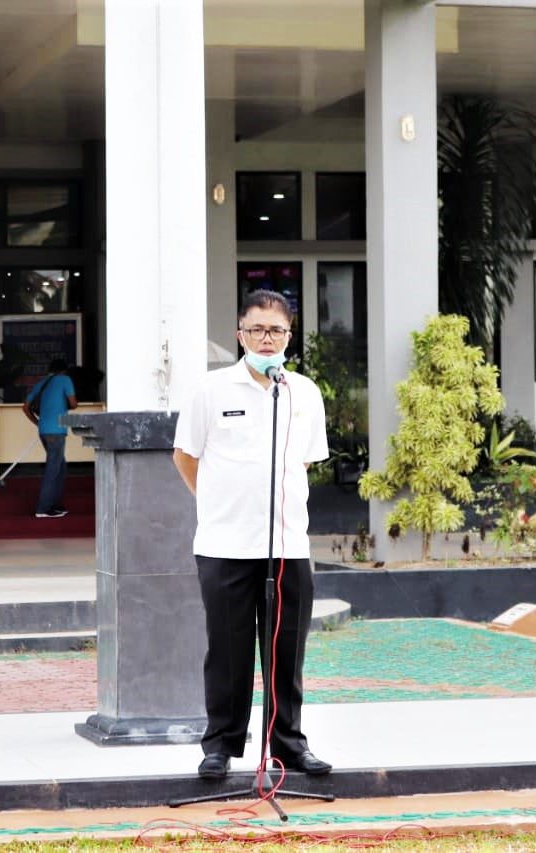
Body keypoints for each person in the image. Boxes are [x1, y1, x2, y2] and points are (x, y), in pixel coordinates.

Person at [172, 289, 331, 780]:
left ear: (289, 336)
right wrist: (216, 501)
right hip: (224, 545)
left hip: (288, 545)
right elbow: (185, 456)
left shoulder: (303, 392)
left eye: (276, 330)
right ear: (240, 334)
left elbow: (305, 462)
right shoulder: (211, 390)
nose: (267, 339)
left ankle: (289, 745)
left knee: (286, 652)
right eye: (257, 329)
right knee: (228, 652)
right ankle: (220, 746)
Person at [23, 358, 77, 519]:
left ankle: (55, 505)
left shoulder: (42, 383)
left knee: (60, 467)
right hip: (57, 431)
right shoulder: (65, 379)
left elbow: (25, 407)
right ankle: (43, 508)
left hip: (44, 431)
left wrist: (38, 423)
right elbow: (73, 403)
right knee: (53, 469)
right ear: (64, 371)